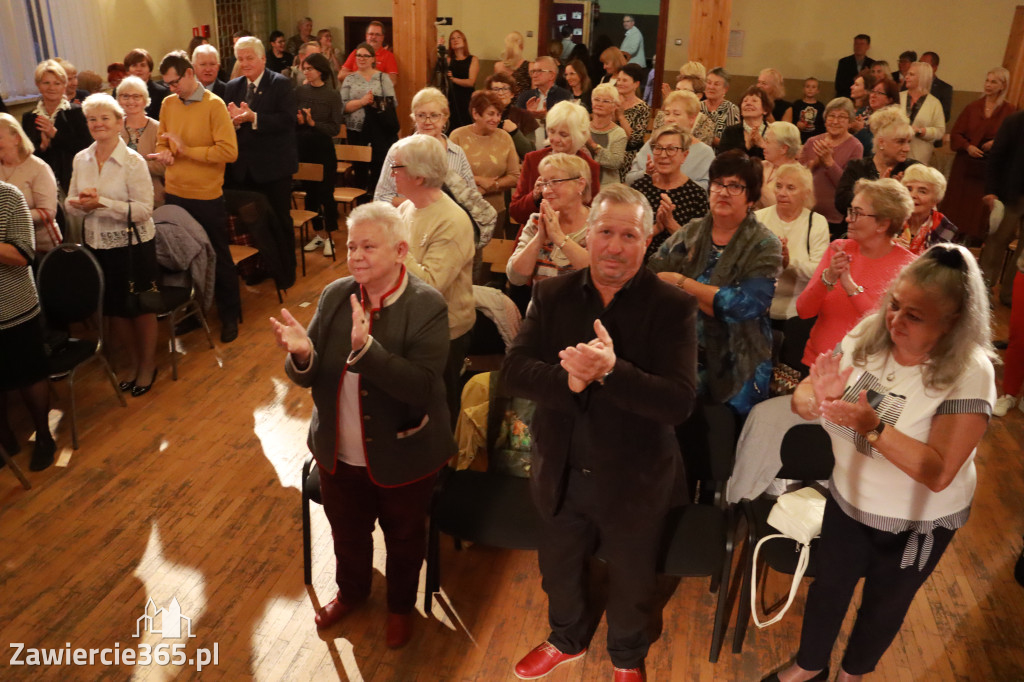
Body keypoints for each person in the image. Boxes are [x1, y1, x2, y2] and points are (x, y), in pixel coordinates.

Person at [773, 243, 995, 682]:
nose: (895, 320)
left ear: (953, 323)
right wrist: (817, 397)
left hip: (917, 521)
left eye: (914, 315)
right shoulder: (871, 332)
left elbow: (937, 472)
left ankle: (852, 675)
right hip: (848, 498)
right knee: (829, 590)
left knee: (884, 604)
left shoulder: (971, 370)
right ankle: (809, 665)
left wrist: (872, 426)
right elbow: (804, 398)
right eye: (894, 304)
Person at [503, 183, 698, 682]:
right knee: (560, 569)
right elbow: (514, 372)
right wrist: (569, 380)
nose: (615, 246)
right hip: (561, 468)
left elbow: (678, 402)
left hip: (635, 479)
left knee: (634, 580)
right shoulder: (550, 294)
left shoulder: (672, 306)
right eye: (605, 232)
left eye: (629, 234)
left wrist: (613, 371)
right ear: (586, 236)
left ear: (647, 239)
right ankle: (566, 637)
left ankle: (627, 656)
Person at [274, 205, 454, 647]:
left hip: (405, 454)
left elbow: (422, 388)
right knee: (347, 534)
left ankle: (399, 607)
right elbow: (312, 370)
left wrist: (368, 350)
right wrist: (301, 354)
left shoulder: (426, 305)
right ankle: (351, 593)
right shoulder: (336, 294)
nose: (356, 255)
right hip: (338, 450)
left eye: (368, 246)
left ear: (400, 251)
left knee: (404, 537)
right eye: (352, 245)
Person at [649, 150, 782, 415]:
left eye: (735, 186)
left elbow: (741, 306)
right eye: (718, 184)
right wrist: (707, 296)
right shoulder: (692, 231)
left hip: (738, 363)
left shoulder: (765, 245)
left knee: (724, 447)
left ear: (752, 199)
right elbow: (653, 275)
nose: (723, 192)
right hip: (683, 356)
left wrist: (681, 282)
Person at [66, 94, 159, 397]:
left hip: (133, 244)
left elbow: (145, 210)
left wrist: (101, 203)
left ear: (120, 123)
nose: (98, 124)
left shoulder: (133, 161)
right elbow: (69, 203)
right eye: (92, 119)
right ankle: (132, 362)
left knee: (140, 307)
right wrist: (81, 204)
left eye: (105, 118)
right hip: (97, 242)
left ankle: (148, 365)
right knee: (115, 309)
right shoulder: (81, 159)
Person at [151, 50, 241, 343]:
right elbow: (163, 139)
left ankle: (229, 315)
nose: (171, 89)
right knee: (183, 259)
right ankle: (192, 314)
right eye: (167, 84)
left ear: (189, 73)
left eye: (175, 82)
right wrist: (165, 151)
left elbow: (229, 152)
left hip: (205, 194)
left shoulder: (214, 106)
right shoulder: (167, 103)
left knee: (218, 255)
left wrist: (186, 150)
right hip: (176, 192)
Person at [390, 135, 475, 424]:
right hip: (408, 326)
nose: (391, 173)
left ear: (419, 175)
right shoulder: (405, 209)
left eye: (397, 167)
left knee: (438, 411)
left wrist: (396, 249)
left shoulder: (452, 220)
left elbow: (430, 285)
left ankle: (442, 466)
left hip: (443, 333)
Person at [796, 178, 917, 371]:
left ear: (883, 225)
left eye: (857, 213)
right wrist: (828, 277)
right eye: (850, 211)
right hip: (817, 365)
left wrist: (850, 286)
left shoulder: (908, 268)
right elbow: (804, 311)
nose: (847, 218)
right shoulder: (838, 249)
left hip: (865, 374)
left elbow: (885, 326)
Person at [224, 37, 299, 290]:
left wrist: (254, 118)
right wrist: (232, 122)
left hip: (274, 167)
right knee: (253, 225)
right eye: (240, 59)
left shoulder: (281, 84)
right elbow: (228, 124)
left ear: (263, 58)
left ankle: (287, 272)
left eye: (250, 58)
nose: (244, 63)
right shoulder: (233, 86)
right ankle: (259, 268)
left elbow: (287, 121)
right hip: (244, 169)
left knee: (279, 220)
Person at [0, 181, 57, 471]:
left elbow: (23, 256)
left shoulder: (9, 197)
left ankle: (44, 436)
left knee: (29, 375)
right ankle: (5, 439)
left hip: (15, 309)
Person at [754, 163, 830, 373]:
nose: (782, 193)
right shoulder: (759, 219)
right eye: (778, 186)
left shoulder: (816, 222)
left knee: (788, 373)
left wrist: (789, 263)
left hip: (797, 311)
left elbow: (819, 273)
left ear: (805, 193)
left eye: (790, 188)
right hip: (760, 308)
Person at [941, 67, 1014, 243]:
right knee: (957, 204)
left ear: (1003, 85)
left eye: (993, 82)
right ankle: (948, 238)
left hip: (987, 167)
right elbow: (956, 133)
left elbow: (1013, 138)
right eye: (987, 81)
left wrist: (996, 142)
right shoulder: (973, 107)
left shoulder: (1009, 110)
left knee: (977, 209)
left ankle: (972, 241)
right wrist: (967, 146)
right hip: (965, 164)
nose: (988, 85)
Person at [374, 87, 476, 207]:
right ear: (414, 117)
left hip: (447, 222)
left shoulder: (457, 153)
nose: (427, 122)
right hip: (409, 222)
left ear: (445, 117)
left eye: (434, 115)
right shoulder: (398, 151)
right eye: (421, 115)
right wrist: (423, 205)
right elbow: (381, 197)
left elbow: (472, 197)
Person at [506, 152, 592, 288]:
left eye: (555, 182)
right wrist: (539, 238)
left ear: (580, 184)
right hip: (542, 307)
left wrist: (558, 237)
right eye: (544, 183)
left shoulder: (598, 225)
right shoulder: (537, 221)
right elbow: (516, 278)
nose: (546, 191)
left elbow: (600, 274)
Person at [509, 101, 601, 225]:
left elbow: (593, 216)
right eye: (551, 131)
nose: (555, 139)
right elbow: (515, 213)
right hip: (535, 235)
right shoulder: (533, 159)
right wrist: (535, 196)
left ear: (579, 136)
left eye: (563, 134)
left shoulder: (590, 166)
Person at [630, 125, 709, 261]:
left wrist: (670, 223)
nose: (663, 154)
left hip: (678, 270)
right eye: (658, 148)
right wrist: (657, 228)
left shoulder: (696, 195)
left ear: (684, 155)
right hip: (639, 265)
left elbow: (698, 249)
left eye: (671, 149)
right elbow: (628, 237)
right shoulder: (639, 188)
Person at [449, 90, 521, 232]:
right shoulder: (458, 136)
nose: (495, 119)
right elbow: (449, 175)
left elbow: (515, 177)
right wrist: (479, 180)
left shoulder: (505, 138)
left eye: (498, 114)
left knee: (493, 253)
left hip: (495, 211)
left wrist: (492, 185)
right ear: (476, 114)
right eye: (490, 114)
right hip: (463, 209)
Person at [296, 53, 344, 256]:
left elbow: (334, 128)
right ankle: (317, 234)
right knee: (310, 194)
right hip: (303, 147)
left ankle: (330, 236)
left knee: (326, 194)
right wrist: (298, 120)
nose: (306, 72)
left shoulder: (332, 95)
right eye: (304, 68)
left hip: (323, 149)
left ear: (320, 71)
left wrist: (314, 123)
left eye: (309, 68)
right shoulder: (298, 91)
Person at [835, 107, 919, 220]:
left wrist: (901, 192)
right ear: (881, 142)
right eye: (900, 142)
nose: (907, 148)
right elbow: (841, 203)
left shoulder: (913, 170)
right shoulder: (857, 167)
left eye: (908, 142)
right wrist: (879, 190)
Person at [22, 60, 90, 194]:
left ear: (64, 86)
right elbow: (25, 155)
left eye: (57, 83)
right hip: (41, 182)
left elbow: (87, 148)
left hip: (74, 179)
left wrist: (55, 135)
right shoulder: (29, 117)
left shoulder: (77, 112)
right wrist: (41, 147)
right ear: (38, 85)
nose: (51, 88)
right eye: (46, 83)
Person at [799, 97, 863, 238]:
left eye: (841, 117)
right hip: (806, 213)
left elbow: (848, 187)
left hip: (835, 219)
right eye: (831, 116)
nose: (835, 121)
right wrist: (816, 163)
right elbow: (798, 177)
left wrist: (829, 162)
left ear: (850, 122)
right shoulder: (812, 142)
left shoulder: (855, 146)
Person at [626, 90, 714, 190]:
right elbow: (629, 179)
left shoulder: (705, 152)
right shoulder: (653, 144)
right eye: (667, 114)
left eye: (676, 114)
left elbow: (707, 189)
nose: (669, 119)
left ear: (692, 119)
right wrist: (646, 173)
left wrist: (674, 181)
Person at [979, 109, 1024, 303]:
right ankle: (982, 291)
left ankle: (1012, 295)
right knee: (997, 241)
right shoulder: (1014, 121)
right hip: (1011, 193)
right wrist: (991, 191)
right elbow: (996, 158)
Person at [0, 114, 60, 254]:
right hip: (5, 247)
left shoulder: (39, 168)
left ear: (17, 138)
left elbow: (48, 212)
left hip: (39, 248)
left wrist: (11, 218)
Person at [115, 76, 166, 209]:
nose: (131, 101)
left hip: (153, 198)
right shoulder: (114, 128)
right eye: (125, 96)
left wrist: (132, 166)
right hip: (120, 199)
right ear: (118, 99)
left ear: (145, 100)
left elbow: (162, 167)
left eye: (136, 96)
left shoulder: (158, 128)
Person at [899, 165, 958, 254]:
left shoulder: (945, 229)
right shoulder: (888, 219)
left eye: (922, 191)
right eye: (909, 189)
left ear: (936, 199)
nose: (913, 195)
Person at [899, 62, 944, 164]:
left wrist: (921, 131)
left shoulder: (934, 103)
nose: (906, 77)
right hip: (896, 155)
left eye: (911, 74)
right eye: (907, 74)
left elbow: (940, 131)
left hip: (919, 157)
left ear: (922, 78)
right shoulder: (899, 97)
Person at [485, 72, 538, 159]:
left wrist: (514, 132)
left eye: (505, 89)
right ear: (489, 93)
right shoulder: (482, 115)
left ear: (512, 94)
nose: (500, 93)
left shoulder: (525, 116)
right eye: (495, 89)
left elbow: (530, 152)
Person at [584, 83, 627, 187]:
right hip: (583, 185)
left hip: (607, 188)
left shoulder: (619, 133)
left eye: (606, 101)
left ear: (614, 106)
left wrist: (593, 145)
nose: (599, 104)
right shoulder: (583, 128)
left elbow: (616, 162)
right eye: (596, 99)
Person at [516, 56, 573, 133]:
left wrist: (547, 116)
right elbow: (516, 127)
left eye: (539, 71)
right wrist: (528, 115)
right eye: (533, 71)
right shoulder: (524, 97)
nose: (534, 75)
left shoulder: (565, 97)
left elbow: (569, 126)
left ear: (551, 75)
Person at [614, 63, 650, 182]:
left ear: (636, 84)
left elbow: (634, 139)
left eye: (625, 80)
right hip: (611, 150)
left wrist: (620, 116)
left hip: (630, 156)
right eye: (618, 79)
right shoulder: (612, 100)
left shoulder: (642, 108)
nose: (620, 83)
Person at [718, 85, 773, 159]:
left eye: (754, 101)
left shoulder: (773, 132)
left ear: (765, 110)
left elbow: (779, 159)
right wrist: (747, 146)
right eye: (745, 101)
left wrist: (762, 145)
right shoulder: (730, 132)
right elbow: (722, 161)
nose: (748, 103)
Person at [758, 120, 802, 208]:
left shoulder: (798, 175)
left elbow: (778, 206)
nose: (763, 146)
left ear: (784, 149)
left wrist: (758, 181)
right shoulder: (763, 165)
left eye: (767, 142)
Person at [445, 30, 479, 131]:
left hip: (467, 98)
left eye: (458, 37)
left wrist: (453, 79)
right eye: (452, 38)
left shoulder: (473, 59)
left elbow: (471, 82)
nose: (455, 40)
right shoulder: (448, 60)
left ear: (464, 40)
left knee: (467, 126)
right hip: (452, 98)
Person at [123, 49, 169, 120]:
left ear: (150, 70)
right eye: (134, 65)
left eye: (143, 65)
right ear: (127, 70)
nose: (138, 69)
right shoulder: (119, 92)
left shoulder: (161, 92)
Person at [701, 68, 740, 149]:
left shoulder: (731, 109)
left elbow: (732, 144)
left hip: (721, 158)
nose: (711, 87)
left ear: (725, 89)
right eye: (708, 82)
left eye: (716, 84)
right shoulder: (696, 107)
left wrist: (710, 137)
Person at [784, 77, 826, 144]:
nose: (810, 89)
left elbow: (822, 125)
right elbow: (791, 120)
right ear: (803, 89)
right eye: (807, 86)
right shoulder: (797, 104)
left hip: (813, 139)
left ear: (818, 90)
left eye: (813, 87)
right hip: (798, 138)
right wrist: (796, 124)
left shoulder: (820, 106)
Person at [834, 34, 875, 99]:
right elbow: (839, 86)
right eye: (856, 44)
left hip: (865, 99)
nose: (858, 47)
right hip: (846, 97)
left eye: (862, 44)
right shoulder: (844, 62)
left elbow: (873, 86)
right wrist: (859, 76)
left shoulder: (872, 64)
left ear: (868, 46)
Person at [848, 73, 878, 156]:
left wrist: (860, 129)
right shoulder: (852, 109)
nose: (851, 87)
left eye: (856, 85)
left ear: (866, 90)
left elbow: (872, 147)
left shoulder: (871, 113)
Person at [493, 32, 530, 98]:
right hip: (522, 105)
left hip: (503, 103)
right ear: (522, 47)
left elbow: (495, 89)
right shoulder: (529, 66)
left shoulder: (498, 66)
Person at [920, 52, 953, 123]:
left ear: (934, 68)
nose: (920, 67)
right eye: (919, 64)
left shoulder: (944, 88)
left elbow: (945, 116)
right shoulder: (910, 84)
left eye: (924, 65)